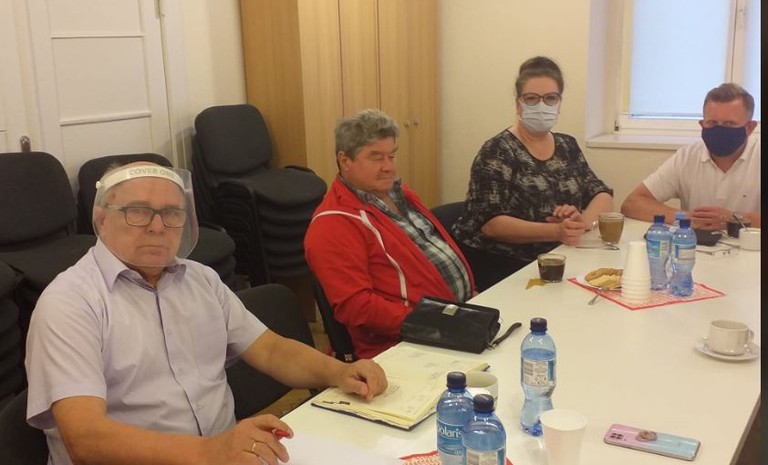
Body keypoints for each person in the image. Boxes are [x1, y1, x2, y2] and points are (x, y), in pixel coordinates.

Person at [24, 162, 388, 465]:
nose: (157, 226)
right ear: (101, 219)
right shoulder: (70, 303)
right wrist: (210, 452)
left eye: (171, 213)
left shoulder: (199, 279)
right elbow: (85, 438)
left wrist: (338, 372)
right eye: (138, 212)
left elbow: (271, 350)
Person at [304, 109, 475, 359]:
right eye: (376, 158)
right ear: (345, 161)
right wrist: (435, 321)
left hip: (456, 320)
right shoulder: (332, 225)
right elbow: (357, 307)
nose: (389, 167)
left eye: (391, 156)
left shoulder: (399, 194)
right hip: (404, 345)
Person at [452, 56, 613, 291]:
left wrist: (581, 224)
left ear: (559, 102)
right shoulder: (498, 151)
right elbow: (491, 224)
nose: (541, 106)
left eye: (550, 98)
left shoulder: (567, 145)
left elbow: (601, 194)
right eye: (531, 98)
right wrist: (556, 231)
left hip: (558, 257)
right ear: (518, 104)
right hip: (503, 265)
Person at [621, 83, 761, 230]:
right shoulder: (687, 157)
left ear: (750, 128)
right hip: (697, 243)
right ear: (702, 124)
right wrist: (685, 217)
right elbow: (632, 204)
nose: (720, 129)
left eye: (729, 124)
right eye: (712, 123)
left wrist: (735, 219)